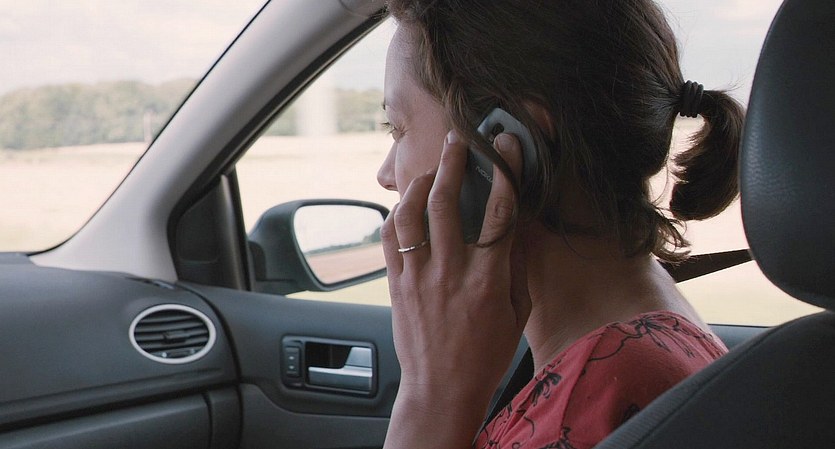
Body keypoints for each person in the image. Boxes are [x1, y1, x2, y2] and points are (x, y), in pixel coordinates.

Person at [375, 1, 744, 448]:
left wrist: (429, 397)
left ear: (509, 141)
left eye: (398, 128)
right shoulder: (648, 339)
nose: (386, 175)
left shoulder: (593, 401)